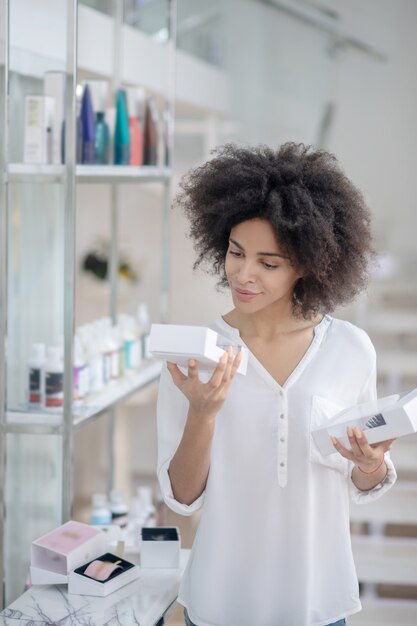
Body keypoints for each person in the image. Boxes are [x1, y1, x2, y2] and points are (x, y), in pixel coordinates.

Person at [156, 143, 397, 626]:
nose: (243, 275)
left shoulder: (351, 349)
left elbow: (363, 480)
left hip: (317, 601)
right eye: (235, 252)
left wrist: (371, 463)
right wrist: (203, 414)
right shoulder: (195, 355)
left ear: (305, 265)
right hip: (221, 599)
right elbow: (182, 497)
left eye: (268, 263)